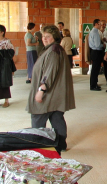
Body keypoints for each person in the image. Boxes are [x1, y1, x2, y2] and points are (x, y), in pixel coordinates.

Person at [26, 25, 75, 153]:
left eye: (48, 36)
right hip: (56, 93)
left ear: (55, 37)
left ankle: (38, 144)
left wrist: (41, 90)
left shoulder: (53, 50)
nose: (44, 39)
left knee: (38, 116)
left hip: (50, 93)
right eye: (43, 36)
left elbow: (49, 72)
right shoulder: (53, 49)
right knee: (56, 116)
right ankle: (60, 144)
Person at [89, 19, 104, 91]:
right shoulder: (95, 33)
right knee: (95, 70)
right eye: (99, 24)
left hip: (94, 52)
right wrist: (103, 45)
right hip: (96, 52)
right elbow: (98, 45)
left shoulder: (93, 31)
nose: (100, 25)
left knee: (95, 69)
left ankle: (94, 84)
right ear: (95, 24)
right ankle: (93, 86)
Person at [99, 20, 107, 85]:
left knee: (106, 66)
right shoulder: (97, 32)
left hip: (105, 50)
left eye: (105, 24)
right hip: (98, 50)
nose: (104, 26)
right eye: (102, 24)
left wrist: (106, 40)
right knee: (97, 66)